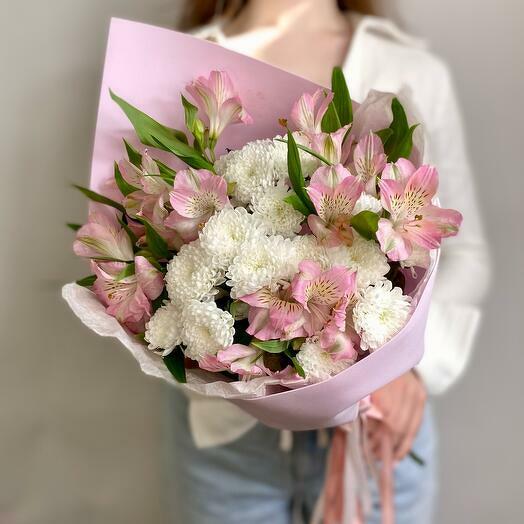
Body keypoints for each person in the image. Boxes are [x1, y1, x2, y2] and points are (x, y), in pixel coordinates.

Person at [165, 1, 491, 522]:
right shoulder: (177, 68)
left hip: (380, 430)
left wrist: (409, 370)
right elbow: (155, 244)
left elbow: (466, 254)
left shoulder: (409, 70)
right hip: (227, 432)